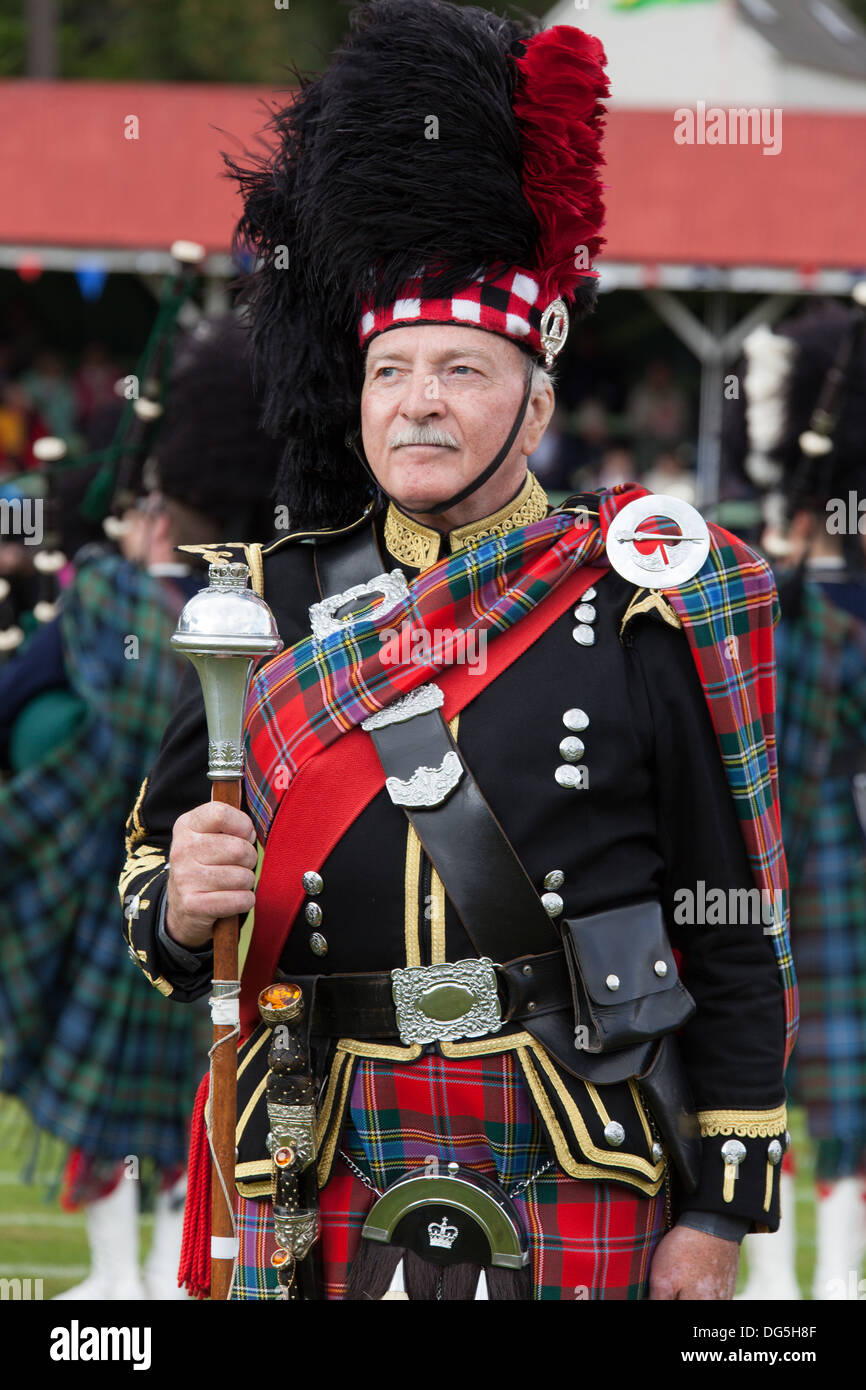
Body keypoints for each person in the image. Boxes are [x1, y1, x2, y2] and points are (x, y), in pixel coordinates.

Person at [121, 0, 795, 1302]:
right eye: (391, 371)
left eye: (460, 369)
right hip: (324, 1136)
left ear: (535, 400)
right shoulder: (272, 598)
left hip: (575, 1132)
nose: (418, 399)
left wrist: (717, 1211)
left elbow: (728, 922)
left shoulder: (640, 597)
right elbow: (155, 861)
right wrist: (176, 900)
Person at [0, 314, 281, 1299]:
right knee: (189, 1104)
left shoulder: (105, 601)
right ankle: (169, 1272)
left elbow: (12, 706)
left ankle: (122, 1280)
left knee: (106, 1119)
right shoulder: (282, 613)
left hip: (130, 899)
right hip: (236, 903)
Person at [727, 298, 866, 1301]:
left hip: (759, 869)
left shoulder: (773, 618)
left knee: (778, 1086)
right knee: (789, 1089)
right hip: (802, 863)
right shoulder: (805, 622)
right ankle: (800, 1287)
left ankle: (793, 1285)